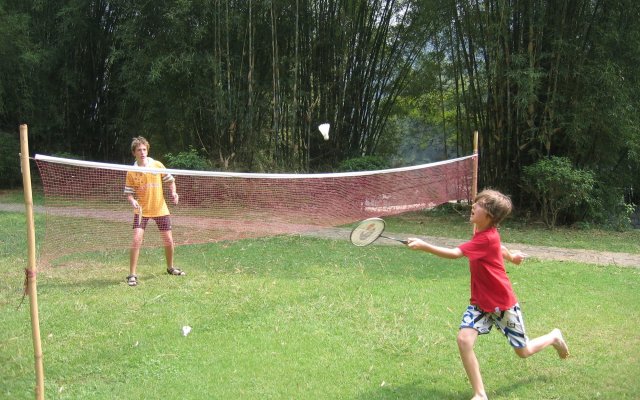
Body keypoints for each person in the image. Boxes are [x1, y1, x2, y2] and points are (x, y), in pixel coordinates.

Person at [407, 189, 569, 400]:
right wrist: (512, 257)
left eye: (479, 204)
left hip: (502, 305)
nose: (473, 206)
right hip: (480, 304)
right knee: (464, 340)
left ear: (490, 216)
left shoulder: (485, 238)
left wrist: (424, 245)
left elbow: (456, 254)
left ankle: (554, 337)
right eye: (475, 202)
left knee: (524, 351)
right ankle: (480, 394)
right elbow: (500, 247)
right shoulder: (481, 231)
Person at [124, 136, 185, 287]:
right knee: (137, 239)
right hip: (141, 210)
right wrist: (133, 201)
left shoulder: (156, 165)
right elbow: (129, 193)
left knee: (168, 240)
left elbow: (170, 181)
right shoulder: (132, 171)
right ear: (134, 153)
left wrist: (174, 193)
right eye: (139, 150)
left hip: (160, 208)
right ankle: (132, 275)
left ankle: (170, 268)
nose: (142, 152)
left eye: (144, 149)